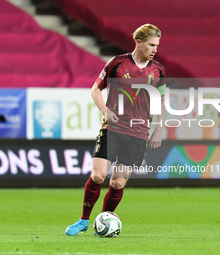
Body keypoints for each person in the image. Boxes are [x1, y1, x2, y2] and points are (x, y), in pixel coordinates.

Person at [65, 24, 167, 236]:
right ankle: (84, 220)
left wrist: (158, 129)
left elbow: (162, 100)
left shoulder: (158, 70)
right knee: (98, 176)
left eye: (157, 45)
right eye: (151, 44)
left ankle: (104, 221)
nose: (155, 49)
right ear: (138, 42)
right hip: (113, 129)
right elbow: (95, 89)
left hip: (138, 134)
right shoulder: (117, 63)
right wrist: (104, 110)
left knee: (118, 182)